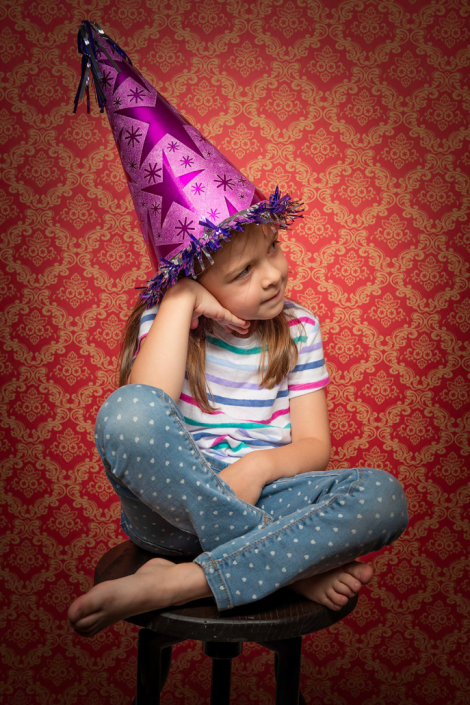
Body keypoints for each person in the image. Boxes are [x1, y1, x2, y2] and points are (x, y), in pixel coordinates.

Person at [67, 21, 409, 637]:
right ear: (196, 279)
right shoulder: (169, 318)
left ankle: (186, 577)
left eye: (272, 250)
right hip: (170, 514)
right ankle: (279, 566)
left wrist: (254, 471)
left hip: (269, 501)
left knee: (383, 496)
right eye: (243, 272)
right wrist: (182, 301)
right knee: (122, 413)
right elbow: (142, 411)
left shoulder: (299, 327)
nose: (273, 276)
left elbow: (314, 448)